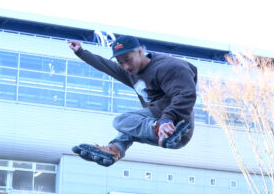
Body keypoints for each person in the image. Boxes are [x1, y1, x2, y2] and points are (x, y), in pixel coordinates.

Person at [68, 35, 196, 166]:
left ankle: (158, 128)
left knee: (121, 121)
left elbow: (186, 94)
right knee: (131, 126)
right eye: (120, 62)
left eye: (128, 60)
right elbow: (106, 65)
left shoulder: (166, 66)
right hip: (166, 137)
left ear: (140, 51)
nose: (126, 66)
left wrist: (167, 120)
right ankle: (115, 150)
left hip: (178, 126)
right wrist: (80, 52)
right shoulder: (129, 72)